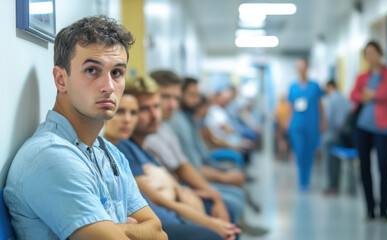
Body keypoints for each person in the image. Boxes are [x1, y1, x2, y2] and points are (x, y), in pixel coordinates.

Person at [3, 16, 167, 240]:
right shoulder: (51, 156)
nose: (108, 87)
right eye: (92, 70)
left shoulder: (109, 152)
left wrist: (118, 229)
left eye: (116, 73)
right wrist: (125, 228)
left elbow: (158, 232)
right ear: (61, 79)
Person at [103, 77, 226, 240]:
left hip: (162, 219)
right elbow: (156, 199)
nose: (127, 119)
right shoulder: (118, 150)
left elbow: (175, 187)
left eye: (132, 112)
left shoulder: (132, 151)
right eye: (120, 111)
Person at [143, 70, 244, 227]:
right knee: (230, 207)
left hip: (180, 189)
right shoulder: (147, 133)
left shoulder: (165, 129)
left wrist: (213, 194)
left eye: (175, 98)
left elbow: (183, 165)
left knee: (232, 200)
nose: (172, 105)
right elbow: (178, 173)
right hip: (174, 194)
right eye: (165, 97)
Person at [351, 41, 387, 221]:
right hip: (362, 127)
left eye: (373, 53)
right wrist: (369, 94)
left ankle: (384, 209)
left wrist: (369, 94)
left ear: (380, 54)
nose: (370, 57)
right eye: (367, 54)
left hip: (384, 129)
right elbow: (353, 95)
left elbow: (384, 94)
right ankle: (370, 209)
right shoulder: (362, 77)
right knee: (364, 169)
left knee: (383, 168)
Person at [285, 58, 326, 191]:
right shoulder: (292, 87)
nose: (301, 70)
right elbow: (290, 107)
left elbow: (320, 105)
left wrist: (323, 121)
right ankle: (301, 180)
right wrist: (287, 122)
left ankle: (306, 181)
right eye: (299, 67)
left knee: (309, 152)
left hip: (312, 123)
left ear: (307, 68)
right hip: (296, 124)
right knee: (300, 151)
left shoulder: (314, 86)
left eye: (303, 67)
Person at [322, 80, 352, 195]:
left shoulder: (332, 99)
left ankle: (332, 186)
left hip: (337, 135)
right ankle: (334, 185)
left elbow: (331, 120)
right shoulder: (343, 98)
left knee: (330, 154)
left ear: (330, 86)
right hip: (346, 135)